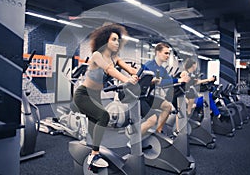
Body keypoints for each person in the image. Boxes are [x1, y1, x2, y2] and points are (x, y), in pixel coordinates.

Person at [73, 24, 139, 169]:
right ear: (105, 41)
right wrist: (126, 80)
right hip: (83, 94)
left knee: (94, 124)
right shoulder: (97, 55)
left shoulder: (115, 57)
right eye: (114, 39)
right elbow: (109, 69)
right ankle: (93, 155)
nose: (117, 43)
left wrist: (144, 76)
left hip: (96, 95)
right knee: (104, 116)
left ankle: (91, 148)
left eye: (118, 40)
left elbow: (130, 69)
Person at [141, 42, 190, 134]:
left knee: (167, 106)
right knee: (152, 120)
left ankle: (158, 131)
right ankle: (134, 140)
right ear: (158, 53)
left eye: (168, 53)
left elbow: (169, 79)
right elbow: (160, 83)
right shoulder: (149, 65)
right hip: (140, 98)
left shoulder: (162, 69)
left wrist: (180, 77)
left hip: (148, 96)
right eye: (166, 53)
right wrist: (179, 80)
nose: (168, 55)